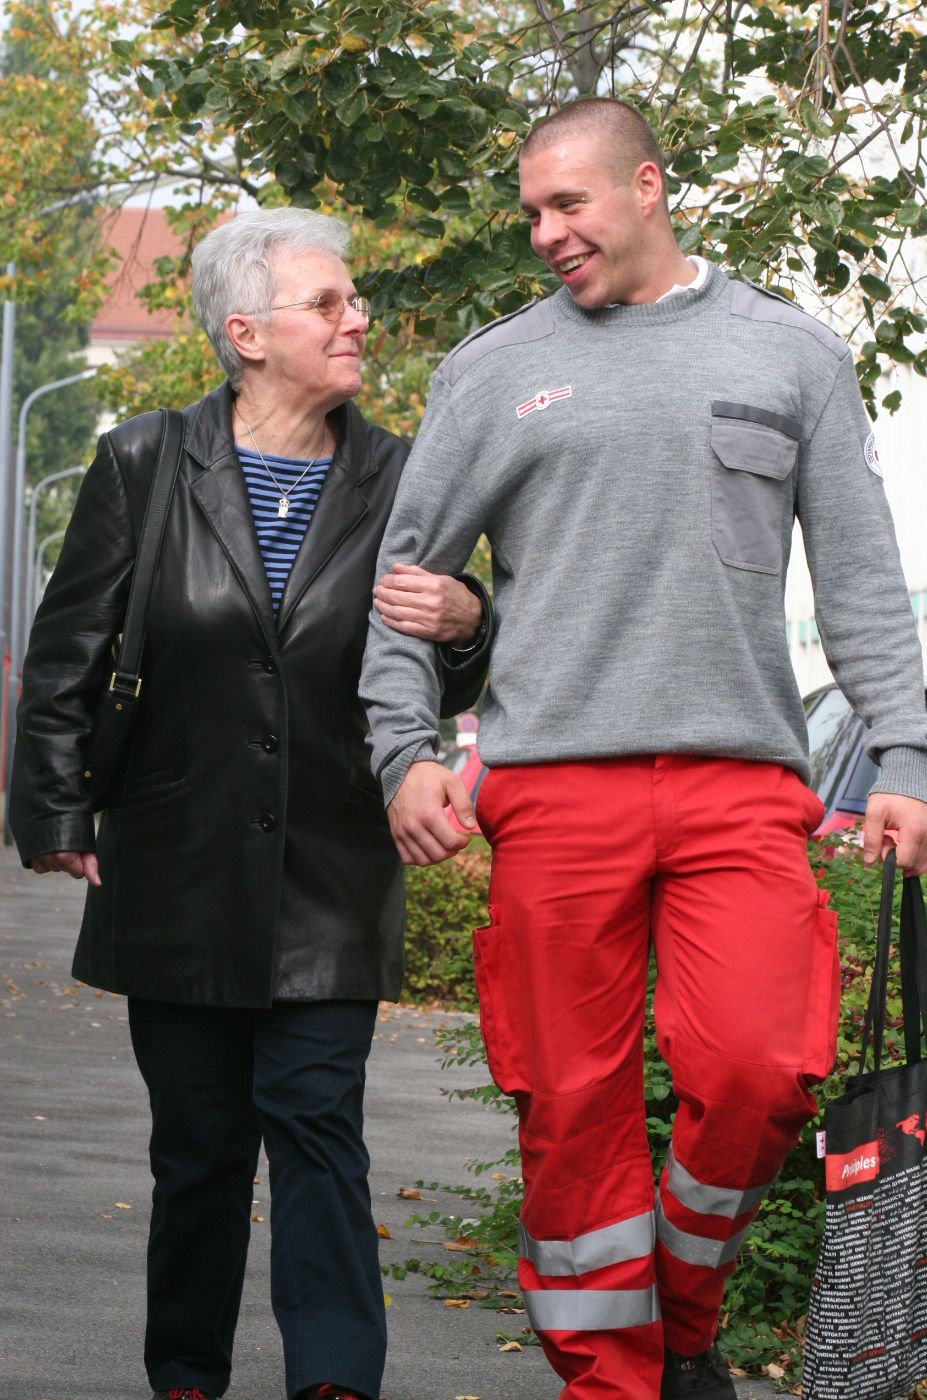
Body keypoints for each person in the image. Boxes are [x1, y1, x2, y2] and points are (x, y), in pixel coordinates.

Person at [360, 98, 927, 1400]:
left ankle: (680, 1311)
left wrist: (903, 756)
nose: (546, 233)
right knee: (567, 1108)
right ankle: (609, 1381)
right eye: (531, 214)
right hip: (553, 787)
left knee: (756, 1067)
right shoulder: (493, 370)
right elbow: (405, 580)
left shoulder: (790, 354)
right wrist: (404, 751)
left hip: (740, 783)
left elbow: (856, 577)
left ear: (648, 186)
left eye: (569, 204)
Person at [10, 207, 492, 1400]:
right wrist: (58, 812)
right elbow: (67, 648)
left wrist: (473, 621)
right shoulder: (142, 460)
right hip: (174, 856)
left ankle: (335, 1379)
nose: (357, 319)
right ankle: (186, 1372)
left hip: (332, 862)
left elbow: (446, 657)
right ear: (247, 331)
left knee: (319, 1125)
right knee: (200, 1148)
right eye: (328, 303)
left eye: (355, 299)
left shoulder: (401, 473)